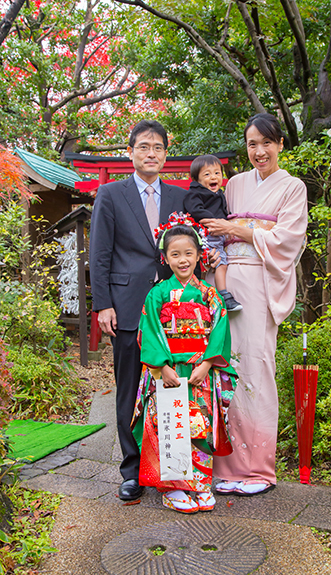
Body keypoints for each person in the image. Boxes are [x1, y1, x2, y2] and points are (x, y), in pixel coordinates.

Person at [201, 113, 308, 496]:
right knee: (223, 366)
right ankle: (224, 465)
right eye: (252, 144)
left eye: (266, 142)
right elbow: (210, 228)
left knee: (256, 369)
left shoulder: (292, 187)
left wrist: (237, 229)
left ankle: (258, 470)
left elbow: (288, 239)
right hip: (225, 282)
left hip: (261, 283)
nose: (259, 151)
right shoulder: (234, 184)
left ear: (280, 144)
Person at [89, 120, 186, 502]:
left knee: (172, 386)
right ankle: (131, 470)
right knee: (128, 388)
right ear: (131, 152)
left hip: (172, 307)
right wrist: (103, 305)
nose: (151, 153)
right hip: (127, 307)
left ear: (166, 153)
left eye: (158, 147)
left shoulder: (179, 198)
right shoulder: (111, 194)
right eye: (144, 146)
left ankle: (171, 465)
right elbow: (100, 253)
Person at [132, 215, 238, 513]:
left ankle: (202, 485)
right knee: (170, 425)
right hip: (168, 372)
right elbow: (149, 331)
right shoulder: (158, 294)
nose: (182, 260)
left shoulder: (209, 294)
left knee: (199, 426)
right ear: (165, 258)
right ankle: (174, 489)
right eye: (175, 254)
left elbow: (220, 329)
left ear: (199, 255)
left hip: (200, 372)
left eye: (188, 253)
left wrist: (206, 364)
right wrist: (161, 368)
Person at [184, 154, 242, 311]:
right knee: (219, 264)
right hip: (206, 235)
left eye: (217, 173)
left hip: (218, 235)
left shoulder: (219, 194)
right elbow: (195, 210)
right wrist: (215, 221)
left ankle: (209, 296)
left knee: (220, 264)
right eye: (207, 174)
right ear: (196, 180)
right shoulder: (195, 193)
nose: (213, 177)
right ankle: (222, 294)